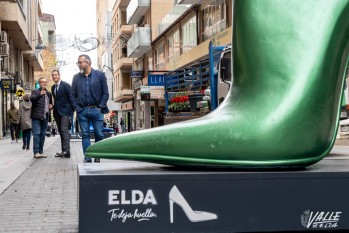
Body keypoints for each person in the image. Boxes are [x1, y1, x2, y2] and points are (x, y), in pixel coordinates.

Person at [70, 54, 109, 163]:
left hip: (96, 110)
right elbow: (72, 95)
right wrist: (77, 108)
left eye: (80, 62)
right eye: (78, 62)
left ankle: (97, 155)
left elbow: (105, 93)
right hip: (82, 111)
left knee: (99, 134)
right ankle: (87, 157)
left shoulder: (100, 75)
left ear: (88, 63)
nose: (79, 64)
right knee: (85, 134)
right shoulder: (76, 77)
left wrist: (100, 107)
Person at [51, 69, 73, 158]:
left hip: (65, 112)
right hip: (56, 112)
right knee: (60, 131)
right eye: (53, 75)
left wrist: (72, 111)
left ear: (59, 75)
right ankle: (63, 150)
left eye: (56, 75)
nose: (54, 76)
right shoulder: (53, 87)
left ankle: (67, 151)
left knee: (64, 130)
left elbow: (72, 98)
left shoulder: (66, 85)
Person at [30, 77, 53, 158]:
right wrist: (40, 95)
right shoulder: (35, 91)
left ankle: (40, 152)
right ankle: (36, 152)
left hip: (45, 117)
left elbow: (50, 104)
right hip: (36, 117)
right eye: (42, 82)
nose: (44, 83)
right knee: (36, 134)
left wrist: (51, 106)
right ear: (39, 83)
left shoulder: (49, 94)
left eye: (45, 82)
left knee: (43, 135)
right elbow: (32, 99)